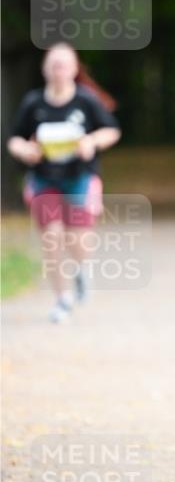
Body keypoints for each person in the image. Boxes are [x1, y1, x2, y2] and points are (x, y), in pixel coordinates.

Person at [6, 42, 121, 322]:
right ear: (45, 69)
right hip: (44, 179)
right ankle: (62, 298)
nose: (58, 71)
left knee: (76, 238)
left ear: (73, 70)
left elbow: (112, 130)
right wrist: (24, 150)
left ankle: (82, 269)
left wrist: (91, 142)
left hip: (80, 178)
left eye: (64, 65)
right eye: (53, 65)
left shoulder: (86, 100)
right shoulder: (34, 103)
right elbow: (15, 138)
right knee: (52, 236)